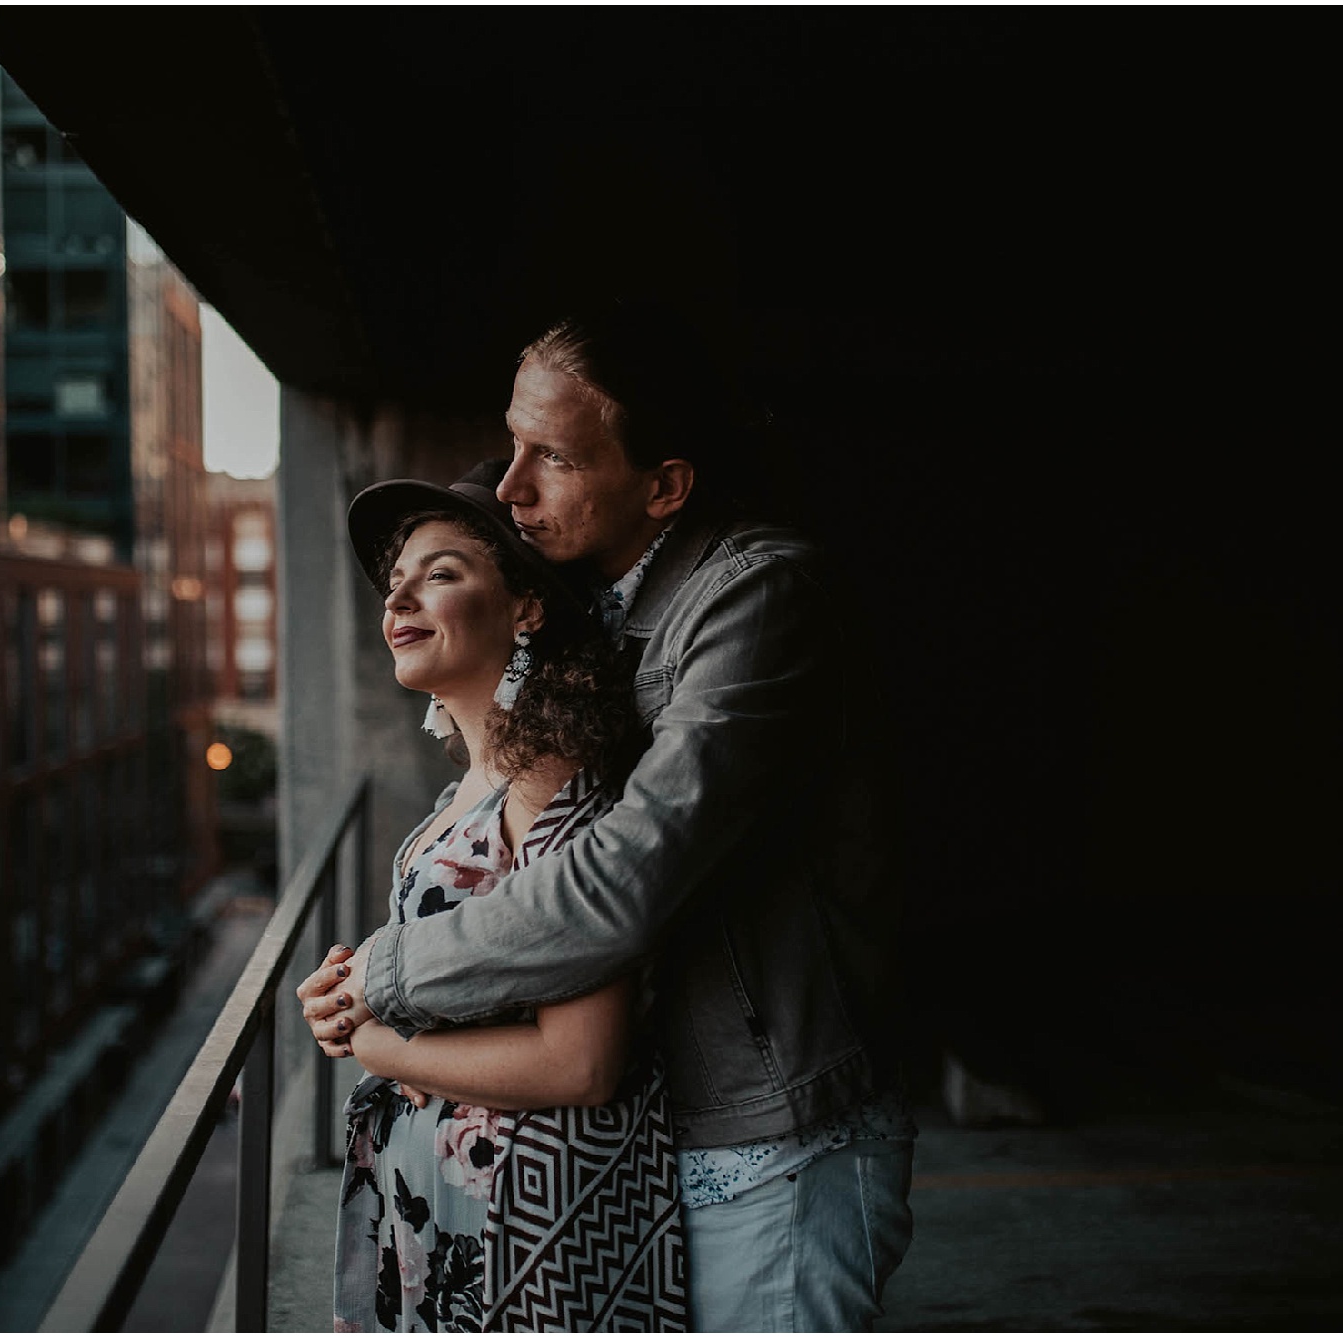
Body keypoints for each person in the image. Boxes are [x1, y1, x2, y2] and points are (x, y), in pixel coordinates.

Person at [300, 301, 917, 1331]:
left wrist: (388, 983)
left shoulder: (753, 599)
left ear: (663, 484)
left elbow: (625, 875)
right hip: (679, 1131)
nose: (510, 486)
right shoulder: (609, 616)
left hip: (776, 1147)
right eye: (511, 443)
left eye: (554, 457)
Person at [323, 461, 688, 1331]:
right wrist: (349, 988)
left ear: (526, 607)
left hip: (519, 1213)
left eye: (440, 575)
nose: (399, 602)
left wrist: (381, 1047)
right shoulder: (473, 783)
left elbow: (582, 1062)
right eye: (395, 584)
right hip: (447, 1197)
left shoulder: (547, 780)